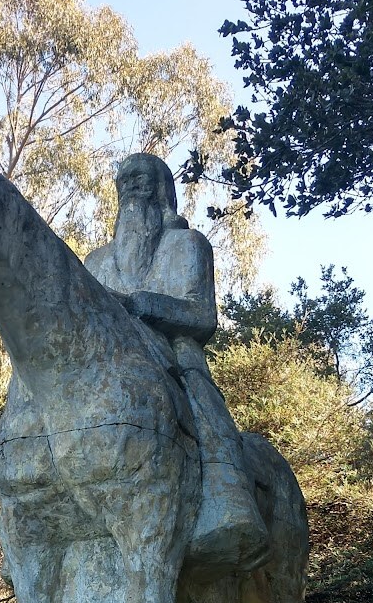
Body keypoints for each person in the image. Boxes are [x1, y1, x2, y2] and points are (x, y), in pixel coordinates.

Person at [86, 153, 270, 572]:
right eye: (125, 180)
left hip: (177, 356)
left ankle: (229, 498)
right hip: (109, 364)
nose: (132, 186)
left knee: (204, 404)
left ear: (162, 188)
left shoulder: (188, 245)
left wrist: (139, 304)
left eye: (142, 179)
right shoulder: (96, 262)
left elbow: (202, 315)